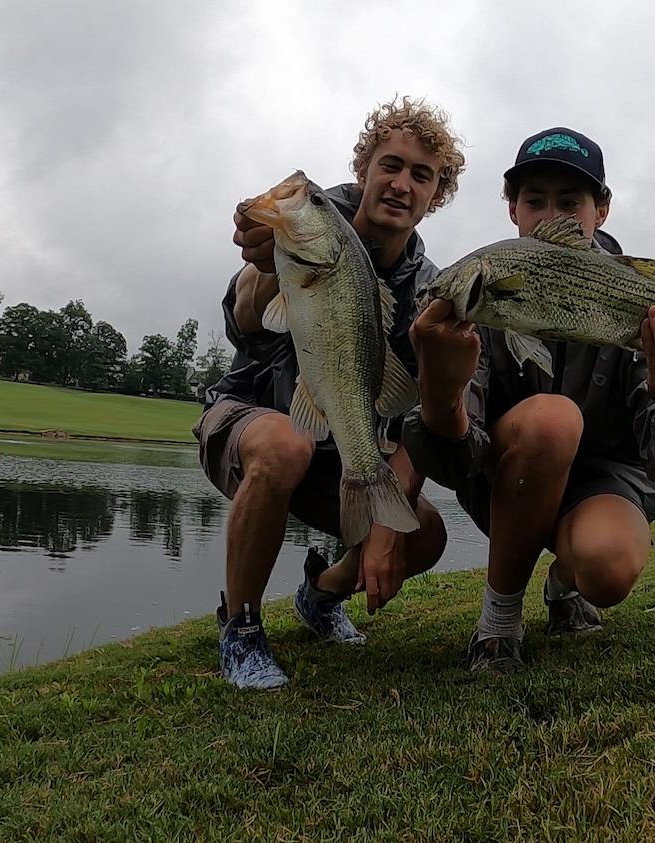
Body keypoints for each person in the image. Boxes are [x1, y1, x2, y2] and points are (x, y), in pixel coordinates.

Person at [403, 127, 655, 673]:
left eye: (570, 201)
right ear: (512, 210)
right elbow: (452, 463)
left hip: (603, 486)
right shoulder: (471, 313)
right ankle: (499, 623)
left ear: (601, 210)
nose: (550, 213)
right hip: (511, 478)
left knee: (608, 568)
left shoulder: (631, 295)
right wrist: (439, 394)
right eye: (534, 200)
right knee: (552, 421)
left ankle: (565, 579)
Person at [196, 97, 466, 689]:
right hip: (253, 421)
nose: (401, 184)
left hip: (339, 449)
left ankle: (320, 594)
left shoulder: (428, 289)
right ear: (365, 167)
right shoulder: (309, 223)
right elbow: (247, 320)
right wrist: (264, 262)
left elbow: (416, 413)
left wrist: (386, 524)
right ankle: (239, 629)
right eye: (389, 165)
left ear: (436, 194)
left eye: (422, 175)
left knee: (426, 532)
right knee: (285, 444)